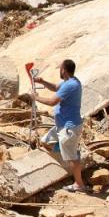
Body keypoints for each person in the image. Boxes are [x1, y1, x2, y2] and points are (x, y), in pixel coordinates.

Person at [34, 59, 86, 191]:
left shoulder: (71, 85)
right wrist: (42, 82)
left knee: (71, 156)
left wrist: (35, 97)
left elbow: (52, 101)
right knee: (46, 141)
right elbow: (56, 88)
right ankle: (66, 156)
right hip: (61, 126)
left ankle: (79, 184)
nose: (59, 71)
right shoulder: (68, 82)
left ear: (63, 70)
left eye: (60, 69)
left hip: (69, 127)